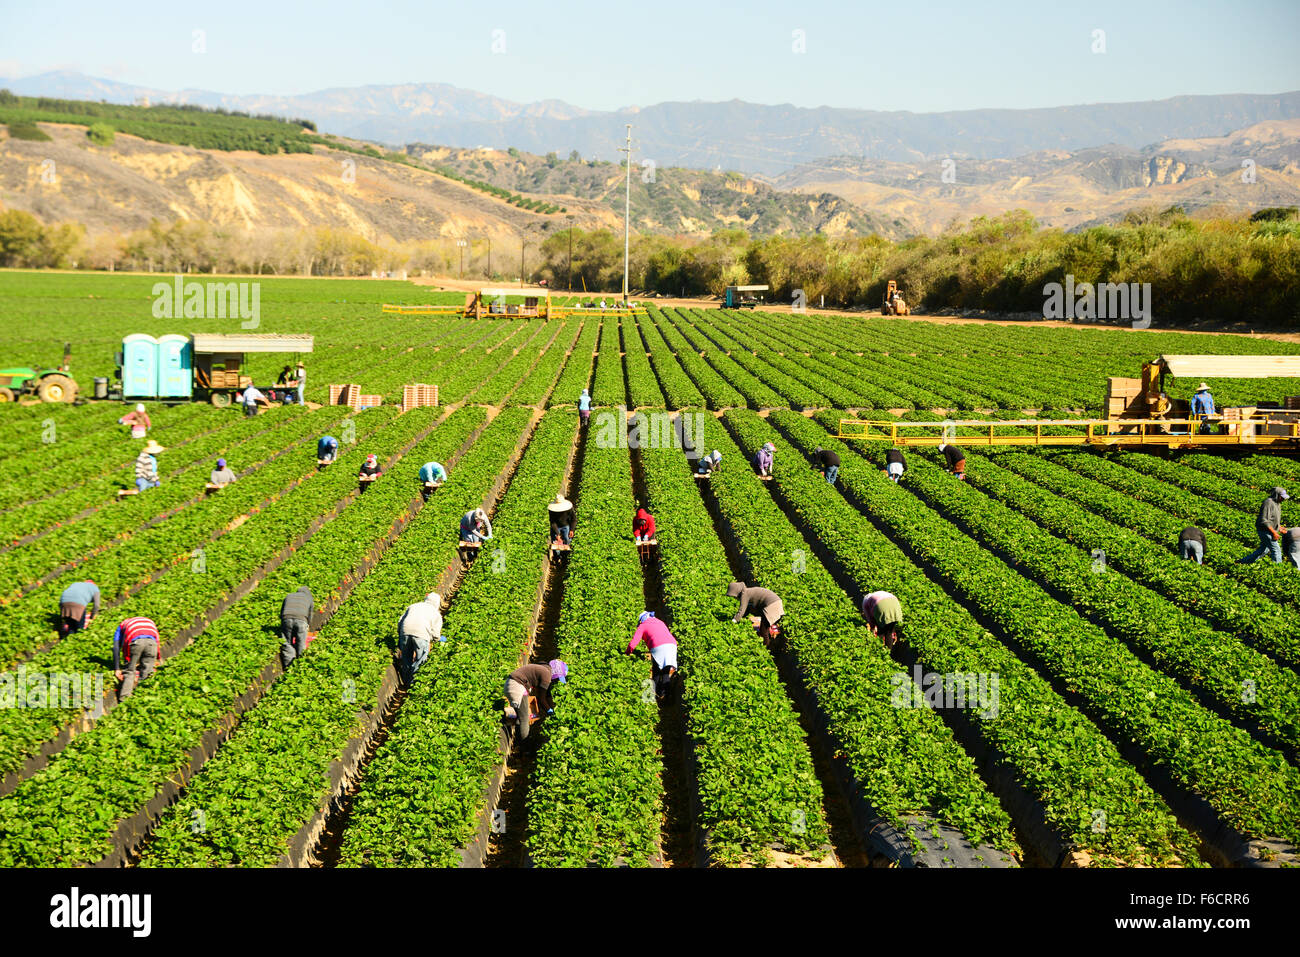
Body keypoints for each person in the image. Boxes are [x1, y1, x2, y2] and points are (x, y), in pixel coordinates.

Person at [503, 659, 567, 740]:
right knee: (524, 719)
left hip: (512, 684)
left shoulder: (544, 668)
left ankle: (519, 737)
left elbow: (547, 694)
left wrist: (552, 707)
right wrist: (549, 711)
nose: (556, 680)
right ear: (555, 673)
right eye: (558, 678)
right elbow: (541, 699)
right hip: (517, 687)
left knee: (522, 715)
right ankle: (523, 744)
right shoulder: (546, 674)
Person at [627, 611, 677, 700]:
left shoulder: (643, 625)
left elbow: (633, 642)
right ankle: (667, 695)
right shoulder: (660, 622)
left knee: (656, 671)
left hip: (659, 647)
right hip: (672, 645)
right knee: (666, 671)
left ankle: (656, 694)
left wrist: (627, 653)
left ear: (641, 620)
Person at [397, 591, 443, 684]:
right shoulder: (436, 613)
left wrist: (400, 633)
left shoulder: (413, 606)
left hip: (405, 631)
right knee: (420, 658)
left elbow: (400, 621)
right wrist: (436, 639)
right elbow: (436, 634)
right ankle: (413, 683)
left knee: (406, 656)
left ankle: (405, 680)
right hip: (421, 635)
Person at [113, 616, 160, 700]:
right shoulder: (149, 622)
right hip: (152, 643)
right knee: (147, 671)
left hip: (136, 641)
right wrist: (157, 658)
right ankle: (143, 697)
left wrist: (117, 668)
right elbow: (156, 640)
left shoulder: (121, 626)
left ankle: (124, 699)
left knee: (130, 671)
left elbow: (116, 647)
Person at [1240, 487, 1290, 564]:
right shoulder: (1268, 502)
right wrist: (1274, 532)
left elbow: (1273, 518)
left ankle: (1243, 562)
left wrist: (1279, 527)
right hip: (1265, 531)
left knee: (1263, 550)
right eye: (1282, 497)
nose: (1283, 499)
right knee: (1276, 550)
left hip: (1269, 530)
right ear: (1276, 495)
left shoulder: (1277, 503)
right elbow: (1264, 520)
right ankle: (1278, 569)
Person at [280, 585, 314, 668]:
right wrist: (308, 625)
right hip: (301, 620)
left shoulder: (289, 595)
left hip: (286, 618)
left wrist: (284, 623)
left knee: (287, 642)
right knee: (301, 642)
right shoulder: (309, 599)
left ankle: (289, 665)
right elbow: (310, 615)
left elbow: (281, 611)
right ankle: (300, 664)